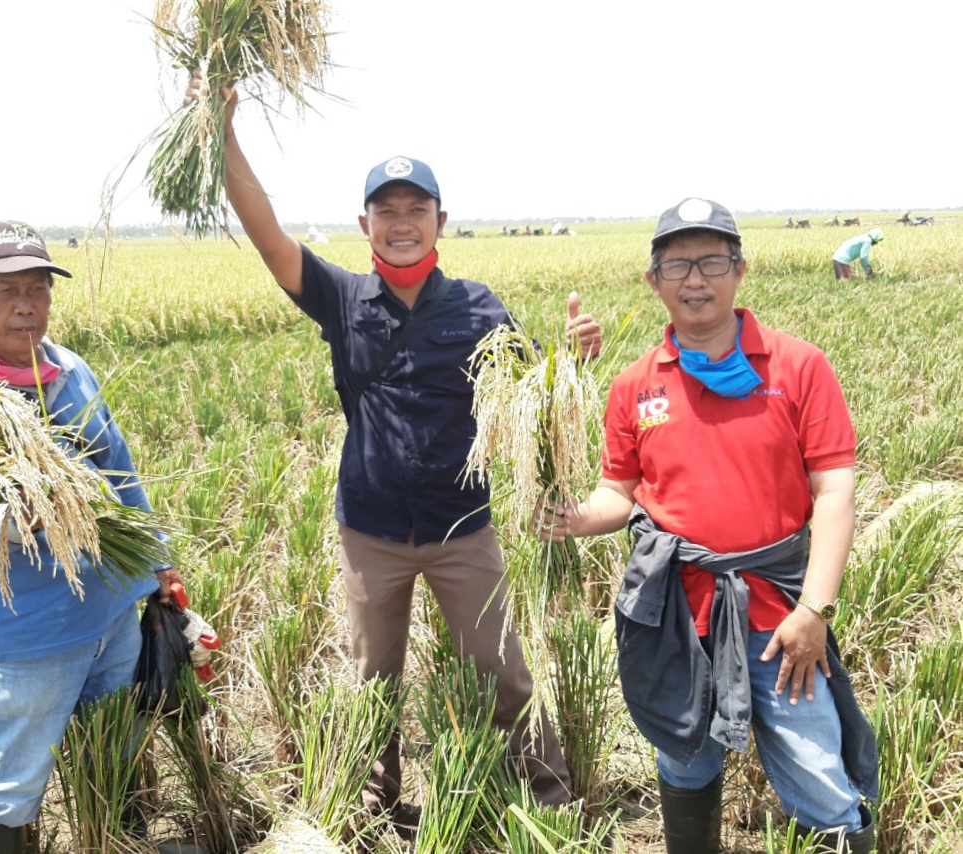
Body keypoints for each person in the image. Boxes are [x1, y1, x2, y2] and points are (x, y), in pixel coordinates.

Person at [190, 76, 603, 825]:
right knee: (366, 682)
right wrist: (222, 130)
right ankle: (369, 807)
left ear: (441, 221)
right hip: (371, 530)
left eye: (417, 210)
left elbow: (531, 402)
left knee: (502, 673)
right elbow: (266, 231)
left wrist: (573, 361)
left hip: (461, 527)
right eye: (388, 211)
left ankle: (547, 800)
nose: (402, 222)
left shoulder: (478, 306)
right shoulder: (340, 298)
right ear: (365, 223)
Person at [538, 198, 878, 853]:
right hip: (673, 616)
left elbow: (834, 490)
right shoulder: (634, 386)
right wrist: (574, 518)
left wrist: (814, 609)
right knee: (683, 758)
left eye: (712, 261)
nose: (695, 279)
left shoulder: (797, 367)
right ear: (653, 280)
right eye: (677, 264)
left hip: (780, 615)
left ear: (739, 270)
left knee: (814, 767)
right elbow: (619, 494)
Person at [0, 220, 189, 854]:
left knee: (115, 749)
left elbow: (119, 471)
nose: (26, 305)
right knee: (11, 786)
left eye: (38, 288)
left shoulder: (69, 370)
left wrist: (159, 564)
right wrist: (38, 513)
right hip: (31, 639)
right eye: (6, 290)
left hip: (113, 615)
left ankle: (113, 841)